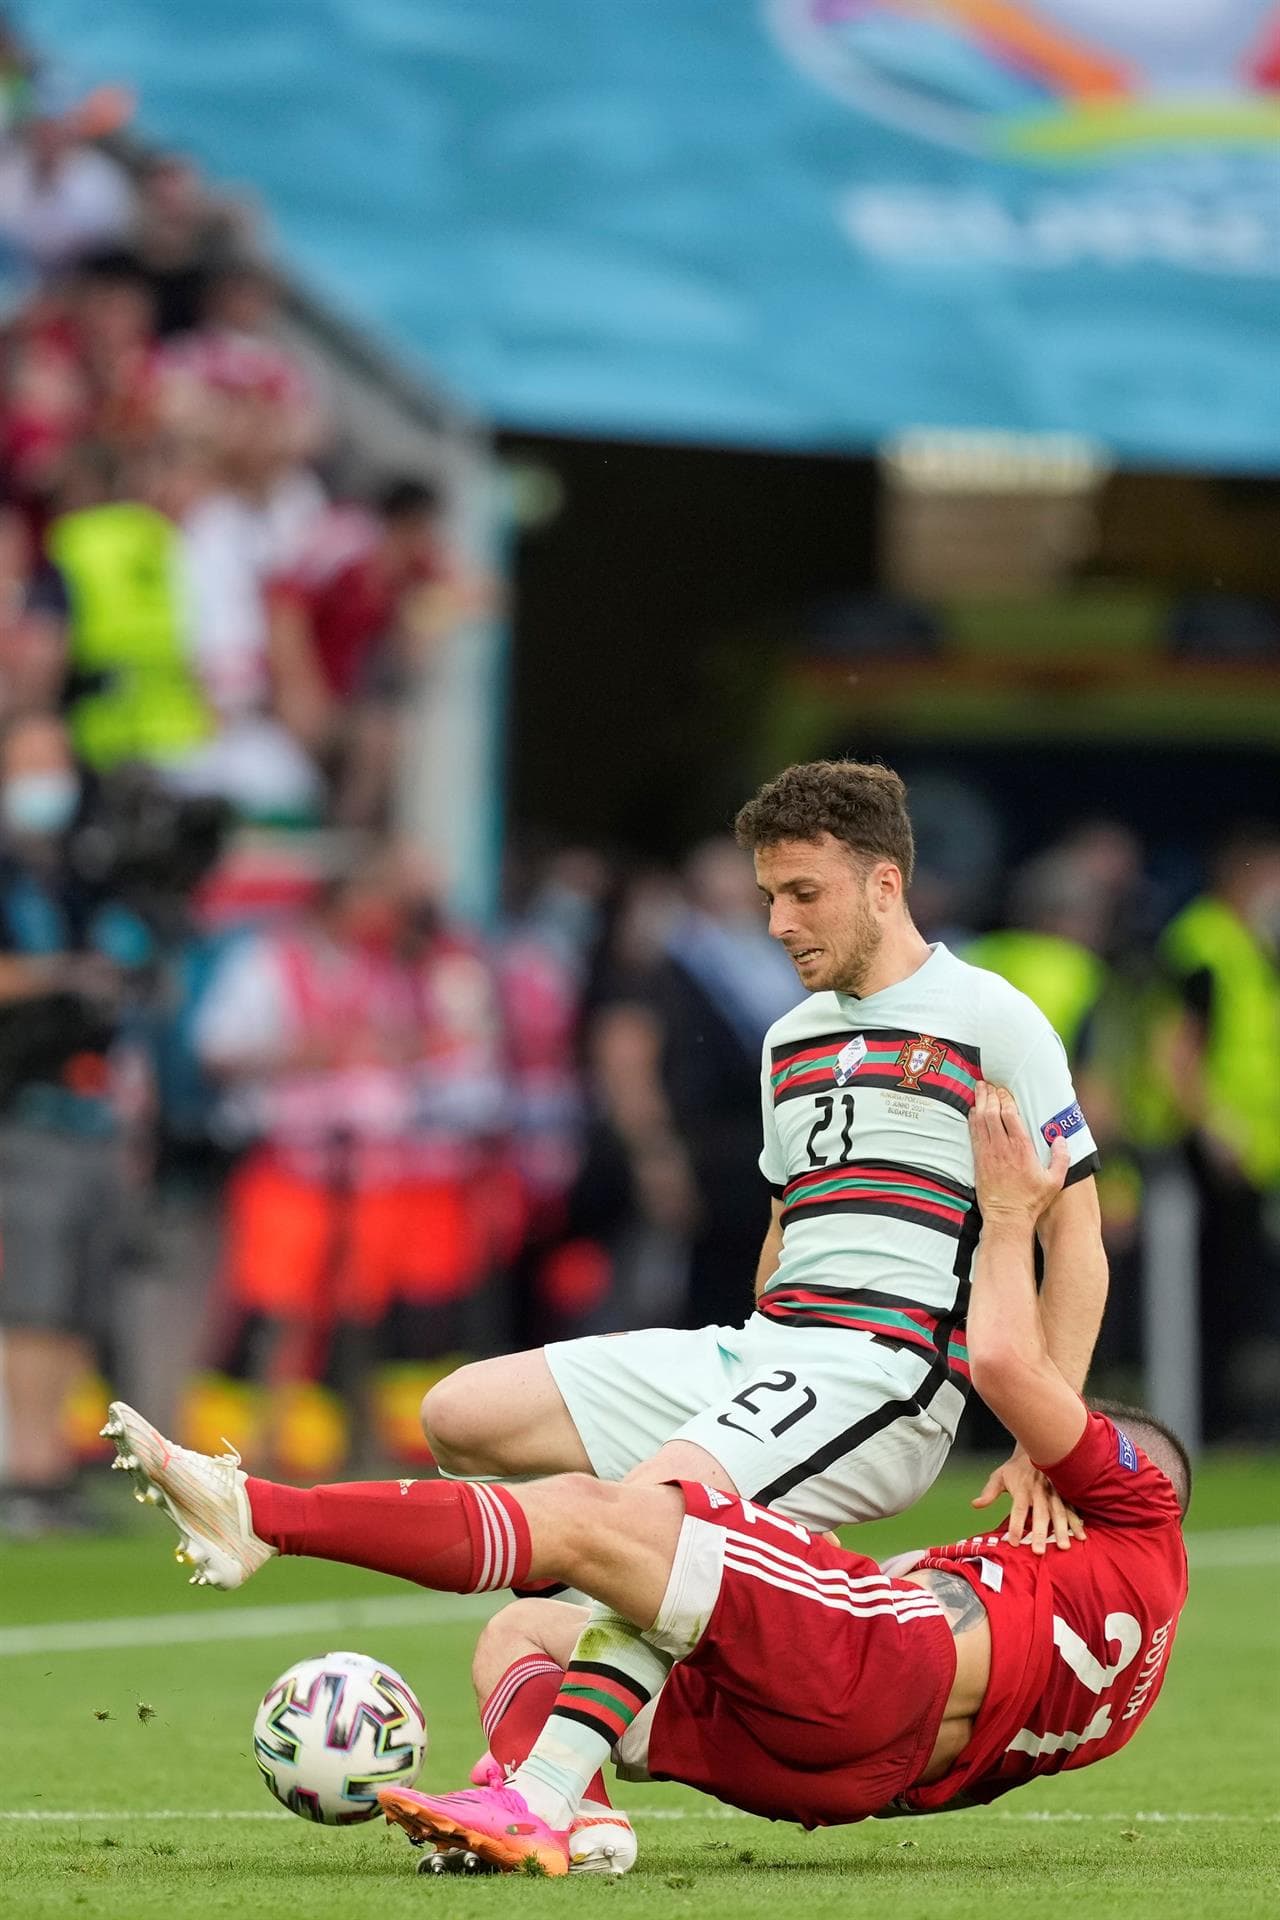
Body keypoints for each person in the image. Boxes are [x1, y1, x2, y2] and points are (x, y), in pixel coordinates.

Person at [101, 1082, 1187, 1876]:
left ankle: (262, 1515)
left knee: (601, 1520)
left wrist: (1007, 1217)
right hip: (853, 1776)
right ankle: (578, 1819)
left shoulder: (1136, 1505)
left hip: (879, 1667)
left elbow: (1007, 1369)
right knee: (526, 1633)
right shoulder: (1122, 1688)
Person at [411, 759, 1108, 1828]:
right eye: (768, 896)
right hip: (767, 1353)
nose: (778, 922)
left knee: (664, 1512)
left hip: (885, 1377)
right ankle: (665, 1593)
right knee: (462, 1416)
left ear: (883, 884)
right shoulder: (791, 1039)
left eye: (802, 894)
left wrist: (1047, 1442)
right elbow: (786, 1235)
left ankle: (549, 1793)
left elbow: (1077, 1239)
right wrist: (749, 1367)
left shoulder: (993, 1019)